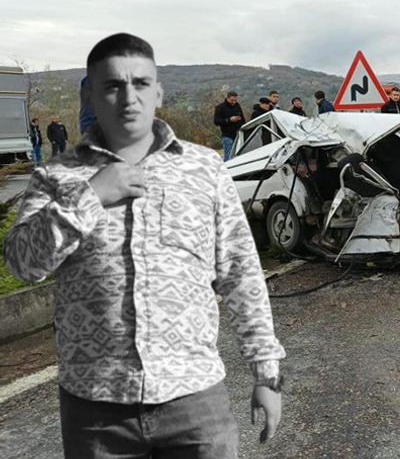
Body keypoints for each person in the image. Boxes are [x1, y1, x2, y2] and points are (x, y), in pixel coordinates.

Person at [4, 33, 286, 458]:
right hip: (96, 412)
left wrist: (266, 373)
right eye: (112, 86)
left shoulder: (204, 169)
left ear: (157, 92)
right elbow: (23, 264)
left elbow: (241, 272)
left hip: (195, 403)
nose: (127, 97)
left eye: (139, 83)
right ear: (92, 96)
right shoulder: (57, 176)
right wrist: (89, 197)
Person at [213, 90, 245, 160]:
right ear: (227, 98)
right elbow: (216, 121)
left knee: (238, 156)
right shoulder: (220, 107)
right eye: (232, 100)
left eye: (235, 100)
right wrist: (229, 120)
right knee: (229, 156)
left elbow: (243, 119)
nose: (234, 102)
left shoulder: (237, 106)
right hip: (227, 135)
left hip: (238, 134)